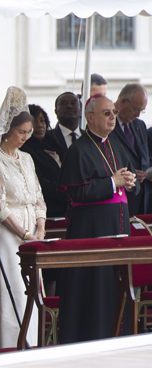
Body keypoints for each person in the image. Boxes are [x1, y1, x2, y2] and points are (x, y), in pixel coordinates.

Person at [59, 94, 135, 344]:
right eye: (106, 113)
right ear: (90, 117)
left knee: (116, 286)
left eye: (113, 112)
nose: (113, 117)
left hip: (117, 226)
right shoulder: (79, 150)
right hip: (92, 230)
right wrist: (114, 183)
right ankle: (94, 336)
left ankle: (117, 336)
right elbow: (76, 192)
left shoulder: (115, 144)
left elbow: (122, 177)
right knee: (95, 288)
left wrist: (128, 182)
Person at [0, 87, 47, 352]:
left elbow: (38, 196)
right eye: (21, 132)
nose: (25, 138)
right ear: (8, 129)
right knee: (14, 296)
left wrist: (40, 226)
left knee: (33, 293)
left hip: (33, 231)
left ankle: (32, 344)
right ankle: (9, 346)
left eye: (28, 133)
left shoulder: (28, 158)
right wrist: (23, 233)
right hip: (9, 234)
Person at [34, 92, 82, 218]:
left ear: (80, 108)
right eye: (64, 103)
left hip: (85, 206)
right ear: (56, 110)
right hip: (55, 209)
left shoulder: (89, 138)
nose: (69, 106)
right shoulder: (44, 138)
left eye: (73, 103)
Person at [111, 83, 149, 216]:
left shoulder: (140, 125)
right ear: (122, 102)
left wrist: (146, 172)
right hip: (121, 198)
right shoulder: (106, 125)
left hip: (144, 199)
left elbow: (144, 157)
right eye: (135, 109)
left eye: (142, 110)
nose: (138, 115)